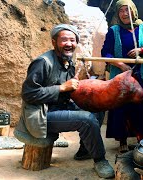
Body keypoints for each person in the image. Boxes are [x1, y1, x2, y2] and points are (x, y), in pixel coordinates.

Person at [16, 24, 114, 179]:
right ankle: (100, 160)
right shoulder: (43, 62)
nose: (69, 43)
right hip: (41, 115)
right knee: (86, 120)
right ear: (54, 42)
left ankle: (85, 151)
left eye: (72, 40)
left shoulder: (68, 60)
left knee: (97, 106)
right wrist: (61, 88)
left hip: (60, 107)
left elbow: (68, 88)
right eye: (64, 40)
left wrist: (82, 85)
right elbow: (29, 94)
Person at [101, 0, 143, 153]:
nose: (124, 13)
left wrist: (142, 50)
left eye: (127, 10)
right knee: (121, 107)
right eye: (121, 11)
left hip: (142, 76)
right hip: (121, 76)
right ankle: (122, 140)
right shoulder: (114, 31)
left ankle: (142, 139)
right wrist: (120, 64)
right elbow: (105, 52)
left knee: (142, 106)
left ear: (134, 11)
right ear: (118, 13)